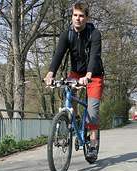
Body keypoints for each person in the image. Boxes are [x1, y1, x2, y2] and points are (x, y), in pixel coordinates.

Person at [44, 2, 104, 158]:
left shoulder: (94, 34)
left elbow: (94, 56)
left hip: (94, 75)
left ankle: (92, 144)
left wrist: (89, 75)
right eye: (75, 15)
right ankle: (74, 119)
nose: (78, 19)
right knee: (68, 95)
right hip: (76, 73)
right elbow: (58, 55)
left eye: (81, 16)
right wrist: (50, 73)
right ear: (72, 16)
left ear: (86, 17)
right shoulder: (67, 34)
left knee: (92, 111)